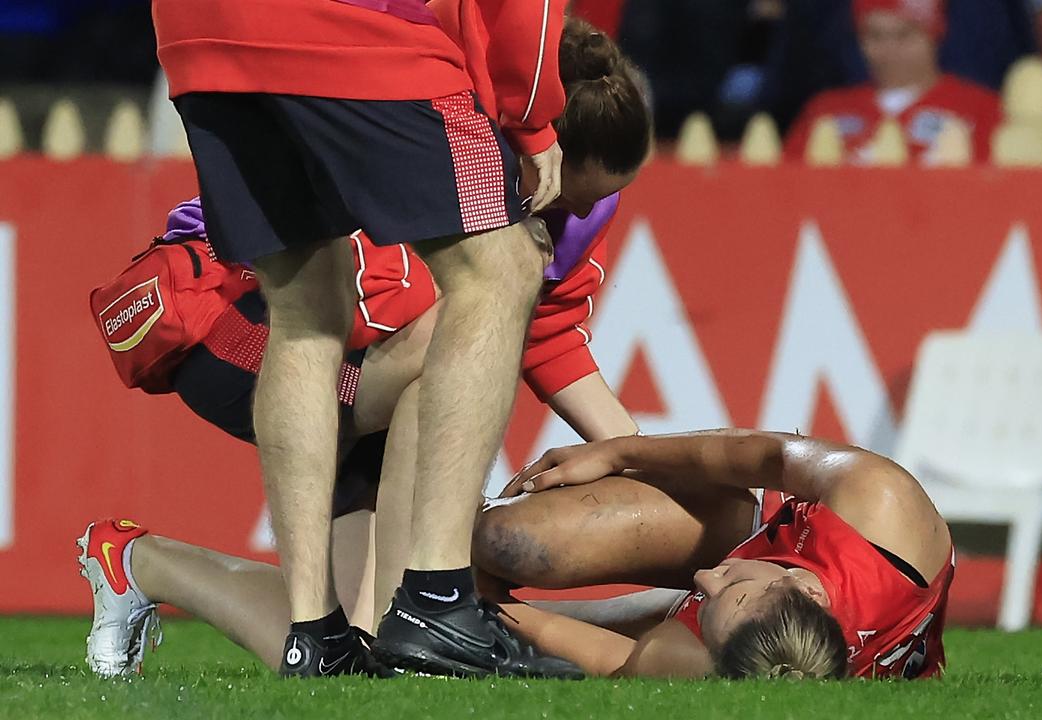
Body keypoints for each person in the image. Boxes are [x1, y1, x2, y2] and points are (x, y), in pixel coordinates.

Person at [84, 15, 652, 677]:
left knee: (370, 651)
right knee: (450, 334)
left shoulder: (567, 199)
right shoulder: (423, 165)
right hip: (231, 326)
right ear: (526, 154)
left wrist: (645, 463)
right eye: (565, 199)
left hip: (366, 370)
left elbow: (546, 339)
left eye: (598, 203)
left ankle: (135, 562)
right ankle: (431, 606)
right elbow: (402, 337)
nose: (578, 220)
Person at [83, 430, 953, 680]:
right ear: (801, 583)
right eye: (731, 583)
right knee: (495, 545)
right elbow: (764, 457)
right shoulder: (885, 511)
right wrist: (618, 453)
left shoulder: (749, 663)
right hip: (732, 505)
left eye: (708, 597)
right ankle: (391, 492)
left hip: (703, 617)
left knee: (378, 647)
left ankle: (135, 560)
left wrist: (504, 623)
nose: (706, 578)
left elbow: (621, 662)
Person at [783, 0, 1002, 164]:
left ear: (933, 36)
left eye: (903, 35)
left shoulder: (978, 109)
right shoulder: (826, 110)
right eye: (874, 36)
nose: (888, 49)